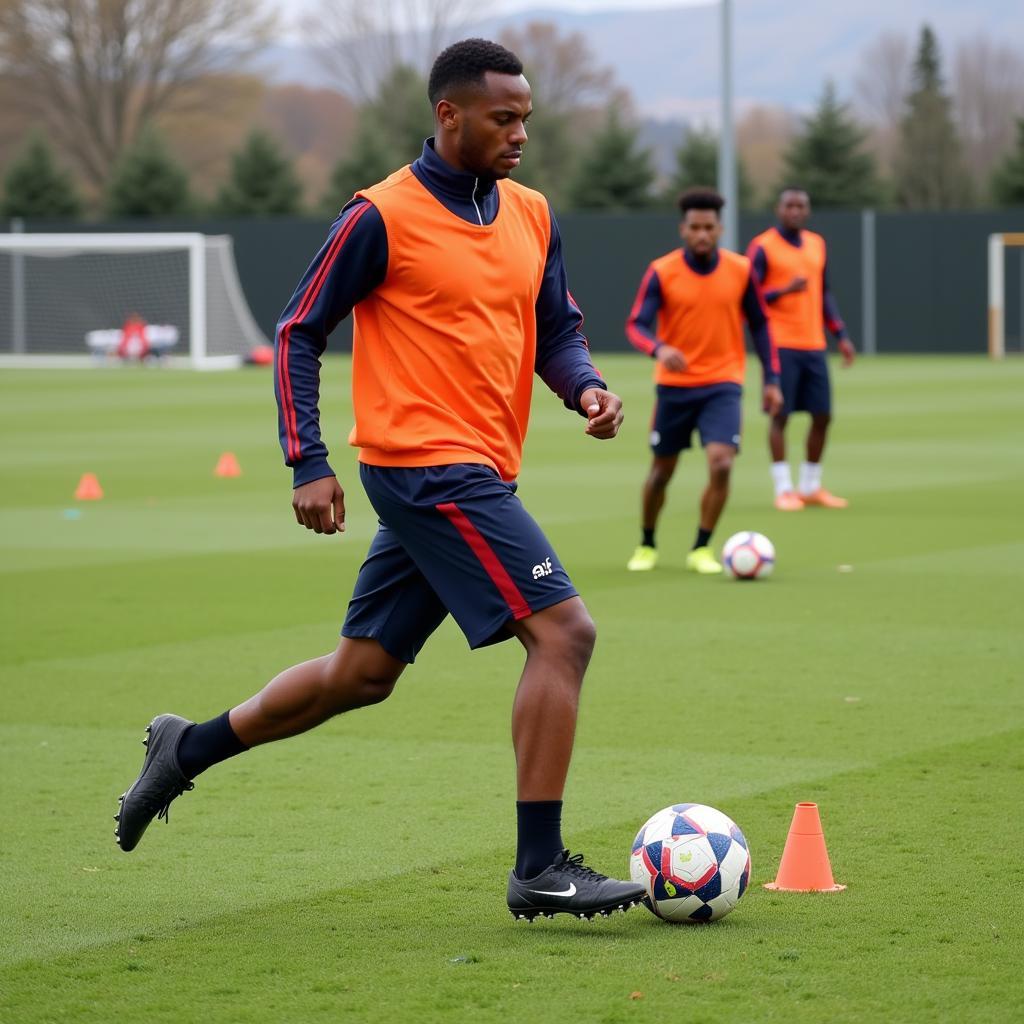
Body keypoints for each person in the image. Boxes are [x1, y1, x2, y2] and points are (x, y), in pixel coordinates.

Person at [113, 38, 646, 924]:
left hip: (474, 469)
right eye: (502, 118)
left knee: (361, 674)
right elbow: (297, 331)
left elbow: (558, 327)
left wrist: (584, 384)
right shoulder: (380, 215)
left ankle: (186, 748)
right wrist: (308, 461)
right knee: (565, 634)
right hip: (426, 468)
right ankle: (540, 868)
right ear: (450, 116)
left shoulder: (534, 214)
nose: (520, 134)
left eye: (526, 119)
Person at [625, 188, 782, 575]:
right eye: (695, 227)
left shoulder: (741, 270)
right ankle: (647, 542)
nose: (702, 235)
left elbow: (761, 326)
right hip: (674, 386)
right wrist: (659, 349)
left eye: (709, 228)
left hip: (723, 383)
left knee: (722, 464)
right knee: (662, 472)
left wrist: (772, 379)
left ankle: (701, 547)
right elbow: (636, 325)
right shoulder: (662, 271)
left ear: (720, 229)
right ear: (683, 229)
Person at [747, 188, 856, 511]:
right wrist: (784, 290)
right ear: (778, 209)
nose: (795, 211)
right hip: (780, 345)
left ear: (807, 211)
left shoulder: (817, 244)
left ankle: (810, 486)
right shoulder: (763, 247)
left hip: (814, 344)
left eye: (801, 206)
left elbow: (824, 293)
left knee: (822, 416)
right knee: (780, 416)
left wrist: (841, 334)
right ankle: (784, 489)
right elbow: (749, 299)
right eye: (789, 206)